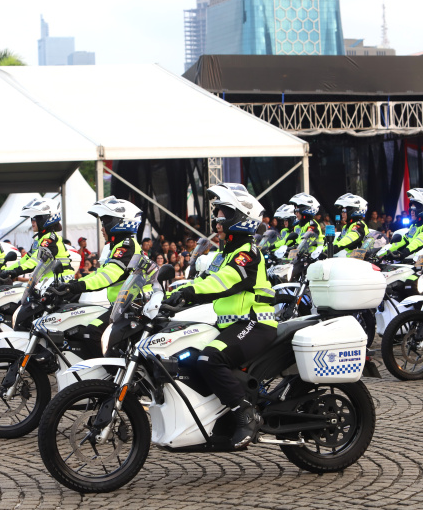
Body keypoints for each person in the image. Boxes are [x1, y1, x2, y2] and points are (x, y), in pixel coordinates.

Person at [165, 183, 276, 448]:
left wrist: (191, 292)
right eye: (218, 213)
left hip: (256, 323)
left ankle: (245, 414)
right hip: (233, 324)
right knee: (189, 356)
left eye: (224, 213)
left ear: (242, 218)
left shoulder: (247, 252)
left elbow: (224, 282)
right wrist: (172, 292)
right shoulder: (224, 253)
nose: (217, 220)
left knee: (209, 359)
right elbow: (206, 278)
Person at [56, 196, 143, 355]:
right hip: (121, 306)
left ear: (118, 223)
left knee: (91, 333)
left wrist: (76, 286)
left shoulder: (126, 246)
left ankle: (113, 376)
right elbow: (100, 273)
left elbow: (109, 276)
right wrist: (73, 285)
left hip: (133, 307)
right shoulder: (118, 246)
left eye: (105, 223)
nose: (102, 228)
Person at [3, 198, 75, 281]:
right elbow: (26, 259)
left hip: (62, 280)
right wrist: (6, 271)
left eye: (36, 218)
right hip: (49, 281)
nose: (32, 222)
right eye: (32, 219)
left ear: (47, 219)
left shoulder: (51, 239)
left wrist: (14, 272)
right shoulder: (39, 240)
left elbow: (35, 262)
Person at [378, 189, 423, 260]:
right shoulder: (414, 226)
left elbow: (419, 242)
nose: (411, 211)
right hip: (415, 260)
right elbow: (404, 241)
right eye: (411, 208)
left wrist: (403, 253)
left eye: (414, 208)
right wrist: (382, 252)